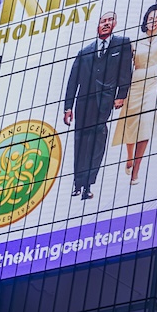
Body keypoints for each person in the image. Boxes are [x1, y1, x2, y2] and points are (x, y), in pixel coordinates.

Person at [63, 11, 134, 200]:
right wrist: (67, 107)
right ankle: (78, 183)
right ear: (98, 26)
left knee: (97, 140)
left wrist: (121, 95)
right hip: (83, 103)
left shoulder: (122, 43)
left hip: (104, 101)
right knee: (80, 141)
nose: (106, 23)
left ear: (115, 24)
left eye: (110, 20)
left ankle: (88, 184)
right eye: (103, 21)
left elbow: (126, 71)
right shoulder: (84, 52)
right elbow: (73, 81)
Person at [112, 3, 157, 185]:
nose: (153, 21)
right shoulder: (135, 42)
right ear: (146, 19)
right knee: (131, 124)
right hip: (135, 83)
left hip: (154, 83)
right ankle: (129, 157)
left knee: (146, 125)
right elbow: (124, 68)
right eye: (151, 18)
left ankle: (136, 170)